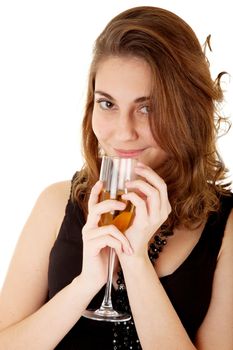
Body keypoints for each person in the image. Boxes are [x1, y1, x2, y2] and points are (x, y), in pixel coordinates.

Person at [0, 5, 232, 350]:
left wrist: (135, 262)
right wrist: (87, 282)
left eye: (147, 108)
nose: (123, 133)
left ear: (186, 112)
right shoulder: (55, 203)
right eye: (107, 104)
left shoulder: (225, 225)